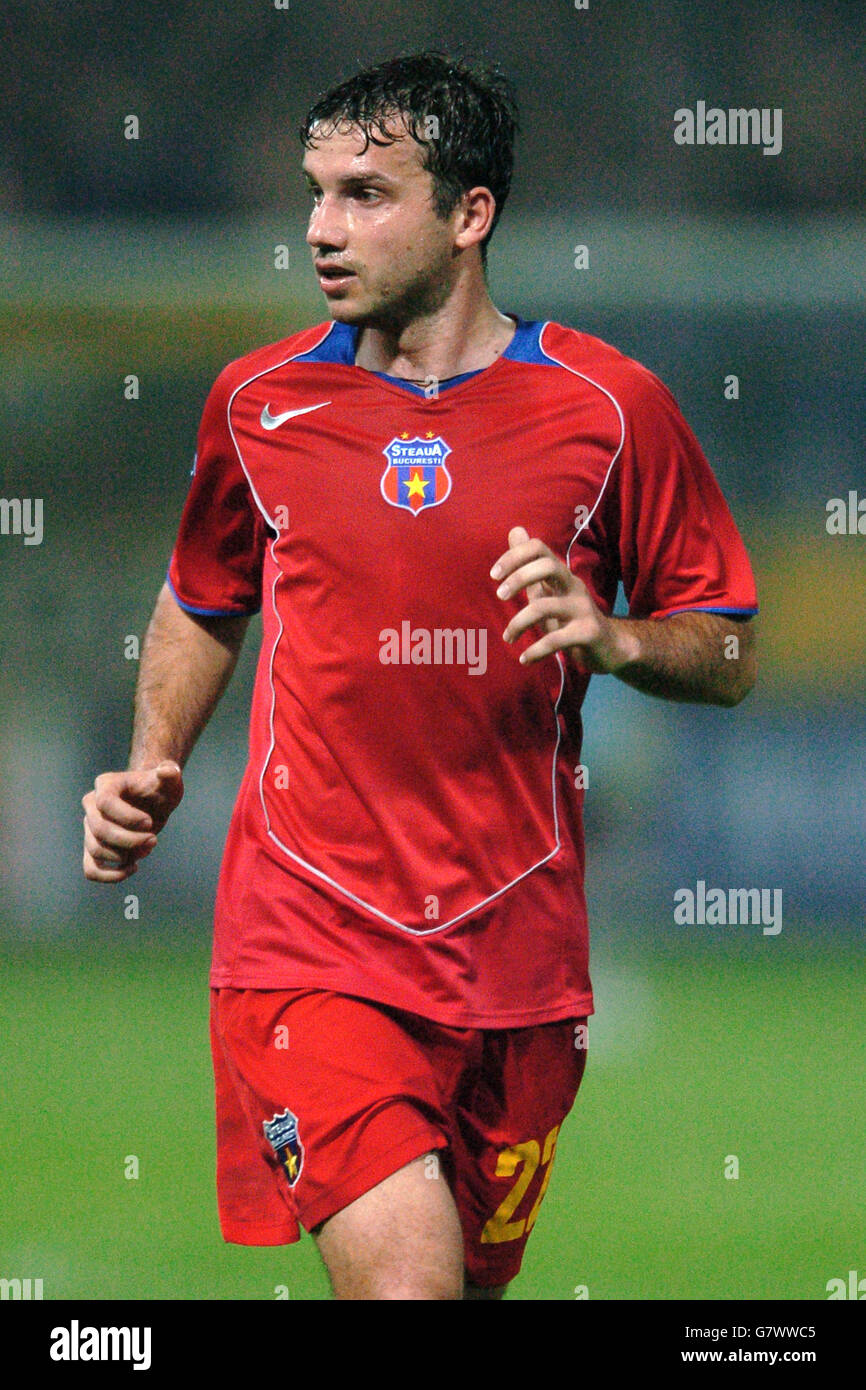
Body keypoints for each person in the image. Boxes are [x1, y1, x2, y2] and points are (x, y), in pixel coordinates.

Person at [82, 51, 758, 1300]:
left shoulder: (609, 411)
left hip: (518, 953)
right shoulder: (259, 405)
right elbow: (200, 595)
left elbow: (724, 645)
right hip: (309, 936)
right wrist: (152, 757)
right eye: (316, 191)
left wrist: (614, 639)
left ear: (468, 214)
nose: (320, 228)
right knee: (408, 1288)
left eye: (363, 194)